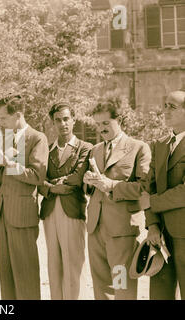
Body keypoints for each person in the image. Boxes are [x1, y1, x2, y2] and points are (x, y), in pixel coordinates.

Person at [83, 98, 151, 300]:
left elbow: (144, 187)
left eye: (105, 123)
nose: (101, 129)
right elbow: (93, 188)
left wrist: (111, 185)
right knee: (100, 286)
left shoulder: (139, 147)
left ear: (119, 120)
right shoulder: (95, 150)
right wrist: (88, 182)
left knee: (121, 286)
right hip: (95, 229)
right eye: (97, 124)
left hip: (121, 233)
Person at [0, 94, 49, 300]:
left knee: (26, 275)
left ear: (18, 115)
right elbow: (0, 179)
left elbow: (37, 176)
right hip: (3, 215)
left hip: (22, 215)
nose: (0, 122)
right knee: (6, 276)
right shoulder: (5, 137)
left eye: (3, 118)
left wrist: (8, 164)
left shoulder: (37, 138)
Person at [39, 103, 92, 300]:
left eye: (66, 119)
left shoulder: (85, 148)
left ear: (74, 120)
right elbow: (39, 180)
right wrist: (53, 187)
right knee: (54, 264)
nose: (63, 124)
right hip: (50, 210)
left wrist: (53, 184)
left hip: (72, 210)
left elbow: (77, 178)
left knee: (73, 263)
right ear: (53, 123)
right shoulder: (47, 150)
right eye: (58, 120)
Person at [144, 90, 185, 300]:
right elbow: (149, 185)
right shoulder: (159, 145)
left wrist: (152, 203)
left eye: (172, 107)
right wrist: (152, 224)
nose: (165, 111)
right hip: (159, 236)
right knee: (160, 296)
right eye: (165, 105)